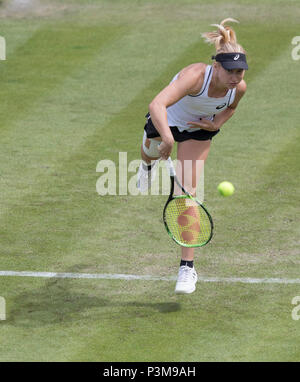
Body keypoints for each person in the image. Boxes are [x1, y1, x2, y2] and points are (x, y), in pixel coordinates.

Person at [137, 18, 248, 294]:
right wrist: (167, 138)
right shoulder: (195, 76)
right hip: (168, 121)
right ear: (217, 67)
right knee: (149, 153)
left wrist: (217, 123)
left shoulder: (239, 88)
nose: (236, 77)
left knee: (187, 194)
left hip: (198, 130)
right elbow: (157, 103)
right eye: (231, 71)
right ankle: (146, 167)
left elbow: (230, 108)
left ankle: (187, 268)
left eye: (241, 71)